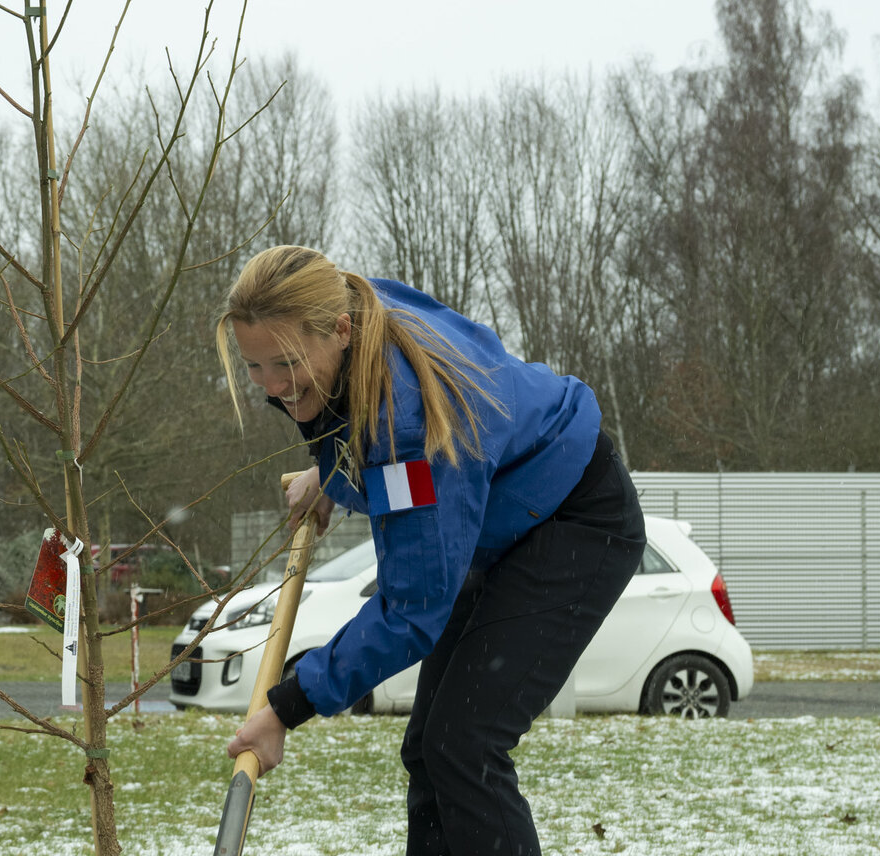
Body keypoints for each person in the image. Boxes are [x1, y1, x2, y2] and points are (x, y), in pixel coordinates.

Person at [214, 245, 644, 856]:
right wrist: (331, 473)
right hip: (509, 519)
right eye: (255, 368)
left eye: (284, 364)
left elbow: (412, 609)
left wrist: (284, 709)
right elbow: (345, 424)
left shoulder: (408, 433)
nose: (274, 387)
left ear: (338, 331)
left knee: (465, 744)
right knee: (431, 747)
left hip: (576, 522)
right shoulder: (356, 308)